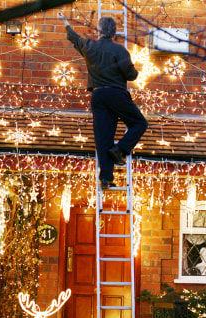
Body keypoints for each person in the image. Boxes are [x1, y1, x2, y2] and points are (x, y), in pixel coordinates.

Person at [58, 12, 148, 190]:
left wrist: (65, 22)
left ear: (99, 30)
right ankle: (120, 150)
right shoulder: (119, 50)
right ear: (114, 32)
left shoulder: (89, 46)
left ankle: (106, 178)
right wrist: (136, 71)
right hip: (116, 93)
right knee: (139, 123)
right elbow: (131, 75)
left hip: (98, 96)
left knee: (103, 138)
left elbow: (74, 39)